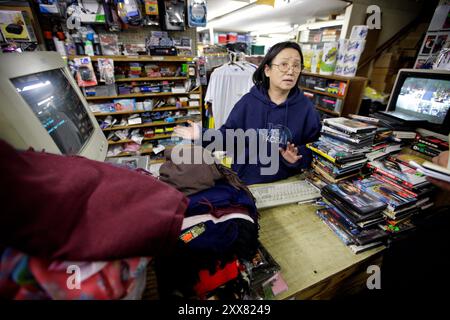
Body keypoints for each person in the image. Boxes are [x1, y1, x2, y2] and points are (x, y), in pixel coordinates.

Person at [174, 41, 321, 185]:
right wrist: (200, 134)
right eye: (284, 64)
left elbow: (315, 148)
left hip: (287, 183)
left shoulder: (306, 109)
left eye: (296, 65)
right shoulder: (248, 102)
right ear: (267, 70)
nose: (290, 71)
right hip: (247, 182)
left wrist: (297, 157)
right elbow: (227, 137)